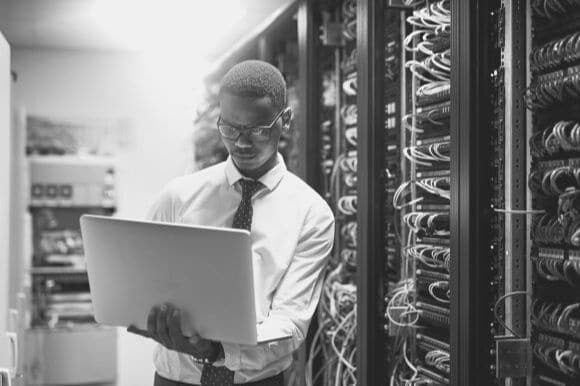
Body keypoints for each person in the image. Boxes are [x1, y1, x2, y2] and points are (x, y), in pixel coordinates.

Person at [127, 60, 335, 386]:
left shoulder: (311, 213)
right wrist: (150, 317)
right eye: (230, 128)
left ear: (287, 121)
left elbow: (291, 324)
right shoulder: (178, 197)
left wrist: (217, 350)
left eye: (257, 129)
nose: (241, 142)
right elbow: (139, 282)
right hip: (175, 380)